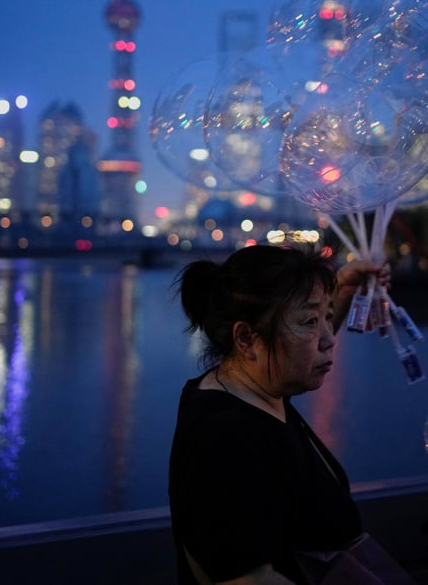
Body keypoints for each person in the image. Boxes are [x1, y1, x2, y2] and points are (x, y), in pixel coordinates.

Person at [168, 244, 395, 584]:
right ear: (246, 339)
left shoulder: (254, 391)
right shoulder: (224, 439)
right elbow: (250, 578)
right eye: (310, 321)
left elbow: (300, 346)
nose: (329, 339)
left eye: (328, 318)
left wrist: (342, 289)